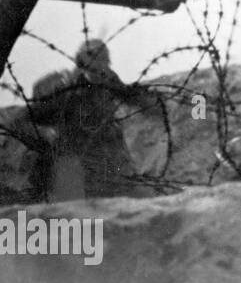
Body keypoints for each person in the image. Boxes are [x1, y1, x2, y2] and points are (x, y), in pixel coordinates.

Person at [26, 39, 166, 201]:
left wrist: (156, 102)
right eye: (94, 61)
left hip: (109, 165)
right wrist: (46, 134)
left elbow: (136, 99)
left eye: (103, 62)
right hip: (74, 167)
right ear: (81, 63)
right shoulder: (64, 88)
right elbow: (26, 120)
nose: (100, 69)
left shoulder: (107, 80)